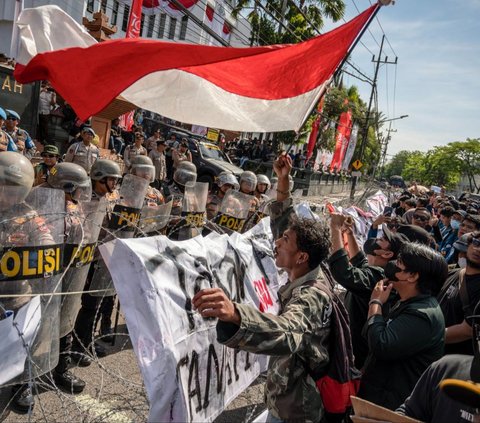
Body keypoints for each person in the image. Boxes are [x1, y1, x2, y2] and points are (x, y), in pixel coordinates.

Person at [192, 212, 333, 423]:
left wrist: (236, 314)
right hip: (289, 399)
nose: (276, 242)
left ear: (302, 257)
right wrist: (283, 185)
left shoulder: (310, 296)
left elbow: (287, 332)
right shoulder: (313, 271)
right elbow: (286, 221)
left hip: (294, 410)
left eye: (284, 239)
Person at [358, 242, 447, 410]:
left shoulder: (422, 315)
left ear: (412, 276)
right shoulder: (408, 302)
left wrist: (375, 302)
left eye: (399, 264)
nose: (392, 266)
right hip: (378, 396)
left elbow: (381, 344)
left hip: (390, 406)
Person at [328, 219, 408, 369]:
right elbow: (359, 261)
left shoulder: (379, 277)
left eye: (383, 240)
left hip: (355, 351)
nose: (377, 239)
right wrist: (349, 234)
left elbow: (343, 272)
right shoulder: (376, 270)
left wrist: (335, 228)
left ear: (387, 254)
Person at [42, 162, 92, 393]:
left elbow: (83, 234)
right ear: (65, 187)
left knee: (65, 320)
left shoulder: (75, 208)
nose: (81, 194)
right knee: (38, 327)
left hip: (69, 272)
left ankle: (61, 369)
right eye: (77, 189)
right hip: (43, 276)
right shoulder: (39, 206)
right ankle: (27, 379)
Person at [72, 160, 122, 366]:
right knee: (88, 305)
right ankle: (76, 347)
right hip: (87, 259)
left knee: (96, 303)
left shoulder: (109, 198)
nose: (114, 184)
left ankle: (86, 341)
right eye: (111, 179)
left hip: (104, 258)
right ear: (100, 178)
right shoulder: (85, 200)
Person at [438, 231, 480, 355]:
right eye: (476, 243)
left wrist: (428, 337)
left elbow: (468, 329)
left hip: (454, 360)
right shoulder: (454, 273)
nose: (478, 249)